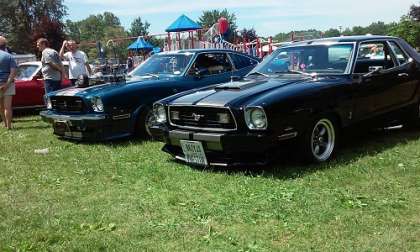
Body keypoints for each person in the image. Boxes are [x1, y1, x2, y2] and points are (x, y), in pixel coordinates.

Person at [0, 36, 17, 129]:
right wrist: (7, 84)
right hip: (8, 83)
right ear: (4, 45)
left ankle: (5, 124)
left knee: (1, 107)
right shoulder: (9, 56)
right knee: (7, 107)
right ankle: (9, 126)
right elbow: (13, 72)